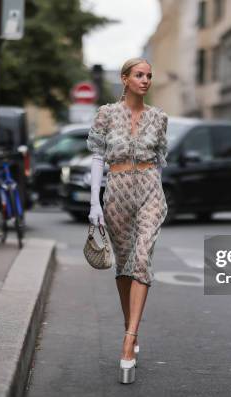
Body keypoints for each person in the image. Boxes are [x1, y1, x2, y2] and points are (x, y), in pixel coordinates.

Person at [86, 58, 168, 384]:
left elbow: (159, 162)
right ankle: (129, 326)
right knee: (124, 267)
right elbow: (96, 158)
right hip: (116, 192)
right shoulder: (106, 114)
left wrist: (158, 194)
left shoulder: (159, 118)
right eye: (139, 75)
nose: (145, 80)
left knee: (142, 259)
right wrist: (94, 203)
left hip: (149, 190)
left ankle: (129, 339)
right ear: (124, 79)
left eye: (149, 75)